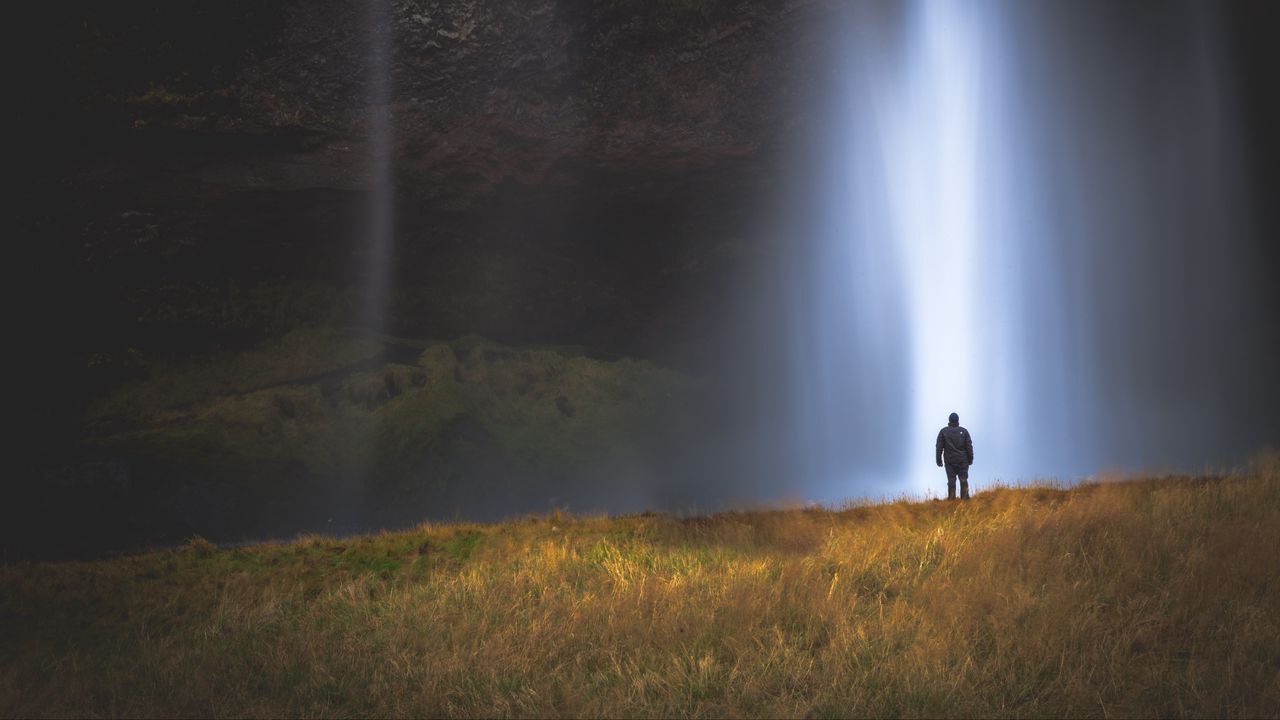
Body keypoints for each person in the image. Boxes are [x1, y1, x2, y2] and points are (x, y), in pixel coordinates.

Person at [936, 412, 974, 500]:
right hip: (962, 461)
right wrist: (970, 459)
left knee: (951, 481)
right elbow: (969, 446)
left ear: (949, 420)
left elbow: (939, 447)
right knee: (963, 480)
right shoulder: (964, 431)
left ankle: (951, 500)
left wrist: (938, 460)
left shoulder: (943, 431)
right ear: (958, 420)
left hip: (950, 461)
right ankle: (965, 500)